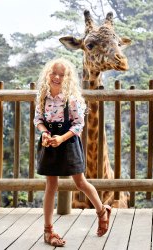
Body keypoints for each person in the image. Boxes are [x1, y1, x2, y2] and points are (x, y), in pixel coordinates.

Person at [34, 58, 111, 247]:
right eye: (54, 73)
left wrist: (61, 138)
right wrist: (45, 133)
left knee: (80, 182)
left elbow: (78, 125)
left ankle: (102, 211)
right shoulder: (43, 96)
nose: (57, 77)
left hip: (68, 142)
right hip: (49, 143)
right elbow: (38, 119)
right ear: (47, 74)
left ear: (67, 78)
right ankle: (48, 230)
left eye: (62, 74)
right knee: (50, 185)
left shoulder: (72, 99)